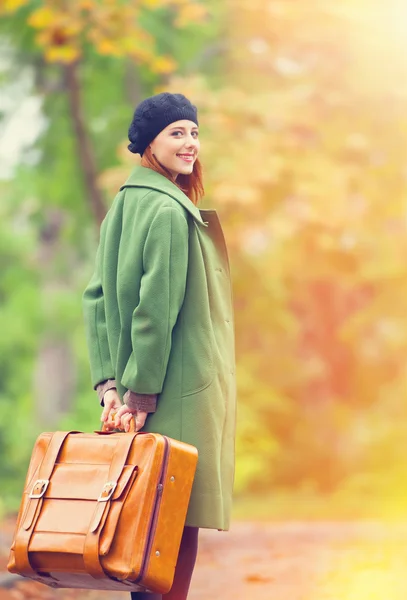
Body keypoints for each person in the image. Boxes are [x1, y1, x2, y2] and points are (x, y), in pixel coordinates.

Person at [81, 92, 237, 600]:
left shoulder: (124, 203)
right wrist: (140, 396)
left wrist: (109, 385)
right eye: (176, 133)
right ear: (149, 142)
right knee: (169, 536)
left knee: (143, 534)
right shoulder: (170, 212)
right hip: (173, 395)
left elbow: (96, 301)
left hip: (138, 394)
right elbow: (154, 314)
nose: (190, 143)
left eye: (193, 132)